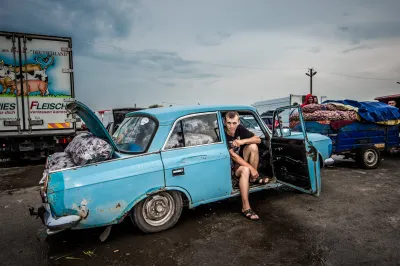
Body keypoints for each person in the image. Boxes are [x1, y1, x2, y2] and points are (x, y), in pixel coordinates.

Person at [224, 111, 270, 221]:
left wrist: (242, 141)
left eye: (234, 123)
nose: (232, 126)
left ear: (238, 122)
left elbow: (258, 139)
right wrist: (252, 168)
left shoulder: (240, 129)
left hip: (241, 160)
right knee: (245, 169)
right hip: (230, 166)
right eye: (229, 123)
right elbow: (234, 156)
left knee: (253, 146)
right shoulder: (223, 133)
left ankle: (252, 178)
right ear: (225, 122)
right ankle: (246, 207)